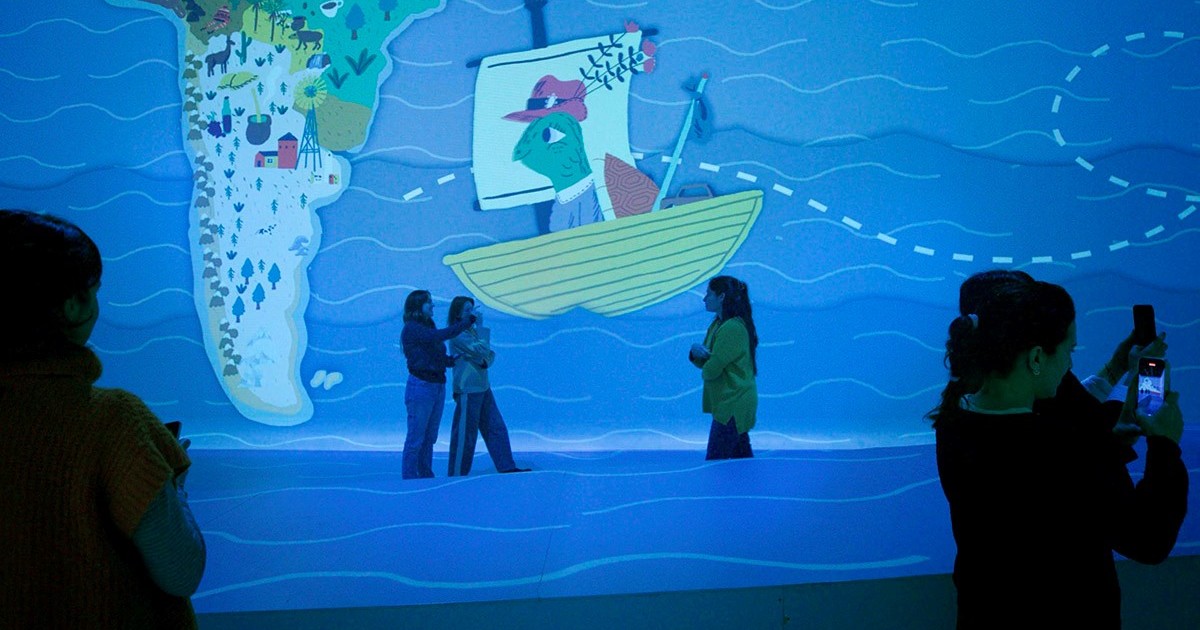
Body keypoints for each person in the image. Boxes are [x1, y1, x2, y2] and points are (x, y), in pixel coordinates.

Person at [931, 278, 1188, 629]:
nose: (1069, 365)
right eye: (1069, 352)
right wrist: (1165, 444)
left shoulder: (953, 420)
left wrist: (1106, 443)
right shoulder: (1066, 453)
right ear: (1036, 357)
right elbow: (1148, 540)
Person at [0, 209, 206, 628]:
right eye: (92, 290)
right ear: (72, 305)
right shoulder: (114, 421)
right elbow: (181, 570)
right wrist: (173, 485)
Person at [445, 296, 529, 476]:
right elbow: (483, 350)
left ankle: (506, 466)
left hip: (483, 386)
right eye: (468, 310)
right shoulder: (457, 333)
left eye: (472, 309)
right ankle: (457, 474)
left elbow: (489, 355)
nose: (473, 313)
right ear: (458, 314)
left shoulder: (471, 332)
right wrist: (481, 329)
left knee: (496, 427)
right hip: (468, 389)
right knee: (465, 435)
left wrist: (483, 359)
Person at [400, 289, 475, 479]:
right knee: (416, 438)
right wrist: (465, 323)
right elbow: (438, 337)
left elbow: (432, 352)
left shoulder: (427, 325)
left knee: (429, 437)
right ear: (418, 306)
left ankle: (425, 475)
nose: (432, 305)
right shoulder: (412, 328)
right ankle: (409, 478)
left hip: (436, 386)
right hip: (421, 387)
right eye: (428, 302)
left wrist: (449, 361)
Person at [688, 275, 759, 459]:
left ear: (721, 297)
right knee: (740, 458)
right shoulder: (717, 324)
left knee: (716, 459)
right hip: (730, 400)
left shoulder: (731, 328)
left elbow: (711, 370)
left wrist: (706, 363)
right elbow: (706, 360)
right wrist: (694, 352)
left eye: (709, 294)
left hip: (733, 403)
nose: (704, 299)